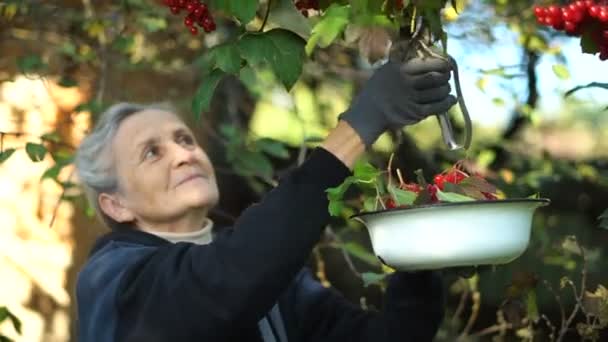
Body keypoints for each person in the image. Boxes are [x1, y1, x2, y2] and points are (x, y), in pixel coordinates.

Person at [74, 57, 457, 342]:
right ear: (115, 205)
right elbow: (224, 282)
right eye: (151, 153)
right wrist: (363, 122)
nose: (183, 154)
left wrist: (418, 255)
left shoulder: (273, 281)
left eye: (185, 139)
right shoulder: (112, 279)